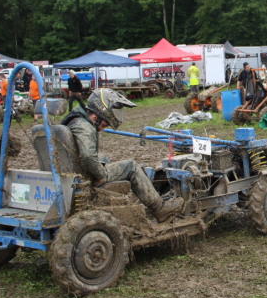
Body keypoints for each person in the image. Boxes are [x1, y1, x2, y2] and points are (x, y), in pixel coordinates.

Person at [62, 89, 184, 222]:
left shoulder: (74, 120)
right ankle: (160, 209)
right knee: (131, 166)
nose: (104, 128)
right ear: (99, 112)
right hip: (83, 177)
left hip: (72, 173)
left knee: (104, 159)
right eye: (104, 124)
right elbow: (87, 156)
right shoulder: (84, 126)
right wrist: (101, 175)